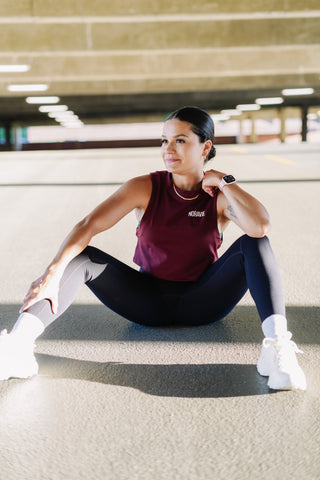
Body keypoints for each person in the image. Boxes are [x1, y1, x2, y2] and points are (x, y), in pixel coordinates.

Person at [0, 106, 306, 390]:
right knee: (82, 258)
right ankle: (18, 346)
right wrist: (52, 274)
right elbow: (88, 225)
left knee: (255, 244)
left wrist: (225, 181)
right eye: (164, 141)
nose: (168, 150)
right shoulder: (145, 187)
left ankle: (277, 349)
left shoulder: (220, 196)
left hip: (205, 300)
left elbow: (260, 226)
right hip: (146, 300)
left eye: (181, 140)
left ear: (206, 147)